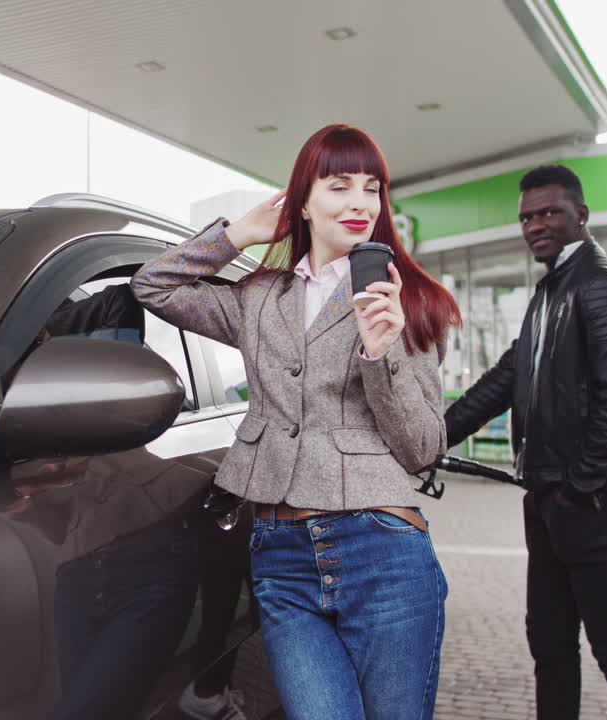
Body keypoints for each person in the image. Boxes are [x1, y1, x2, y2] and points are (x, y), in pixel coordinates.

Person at [132, 123, 460, 719]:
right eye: (339, 186)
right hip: (280, 555)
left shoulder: (407, 299)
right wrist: (238, 234)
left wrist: (380, 354)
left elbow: (422, 448)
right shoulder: (261, 296)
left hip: (381, 552)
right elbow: (153, 287)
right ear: (302, 200)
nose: (360, 203)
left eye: (372, 188)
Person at [444, 164, 607, 719]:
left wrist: (577, 489)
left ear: (581, 216)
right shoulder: (550, 291)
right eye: (527, 217)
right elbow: (505, 380)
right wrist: (430, 436)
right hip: (549, 502)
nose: (536, 224)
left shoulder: (603, 286)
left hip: (591, 505)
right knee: (550, 647)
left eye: (549, 213)